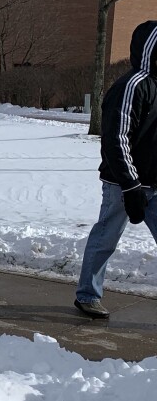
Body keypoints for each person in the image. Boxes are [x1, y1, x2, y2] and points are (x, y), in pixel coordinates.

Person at [75, 21, 157, 319]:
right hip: (122, 184)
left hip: (154, 183)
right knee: (106, 238)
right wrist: (131, 186)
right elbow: (116, 138)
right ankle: (88, 295)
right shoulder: (132, 86)